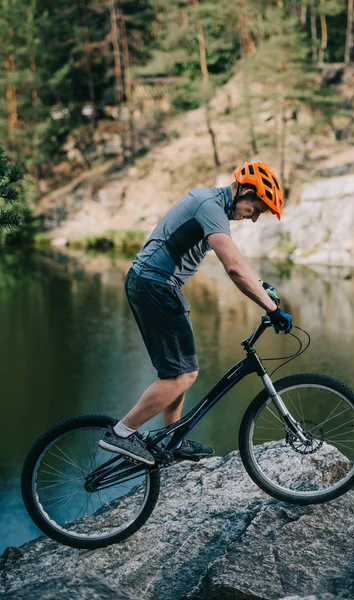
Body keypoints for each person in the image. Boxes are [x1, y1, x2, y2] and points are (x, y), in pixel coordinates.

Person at [99, 161, 293, 464]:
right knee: (185, 374)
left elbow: (237, 261)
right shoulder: (209, 205)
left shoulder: (211, 205)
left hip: (155, 283)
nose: (254, 218)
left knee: (178, 372)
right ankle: (121, 433)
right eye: (257, 207)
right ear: (245, 190)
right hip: (156, 283)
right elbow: (233, 267)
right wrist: (272, 309)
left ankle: (172, 441)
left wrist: (261, 284)